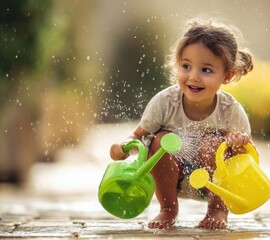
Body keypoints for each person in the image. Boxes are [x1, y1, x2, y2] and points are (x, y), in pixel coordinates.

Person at [109, 18, 254, 229]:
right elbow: (137, 136)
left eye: (206, 70)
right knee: (161, 140)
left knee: (213, 144)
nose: (193, 77)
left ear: (227, 75)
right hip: (170, 179)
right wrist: (123, 146)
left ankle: (217, 210)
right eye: (186, 66)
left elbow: (248, 157)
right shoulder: (165, 102)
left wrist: (238, 142)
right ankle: (168, 209)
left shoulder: (230, 110)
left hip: (213, 184)